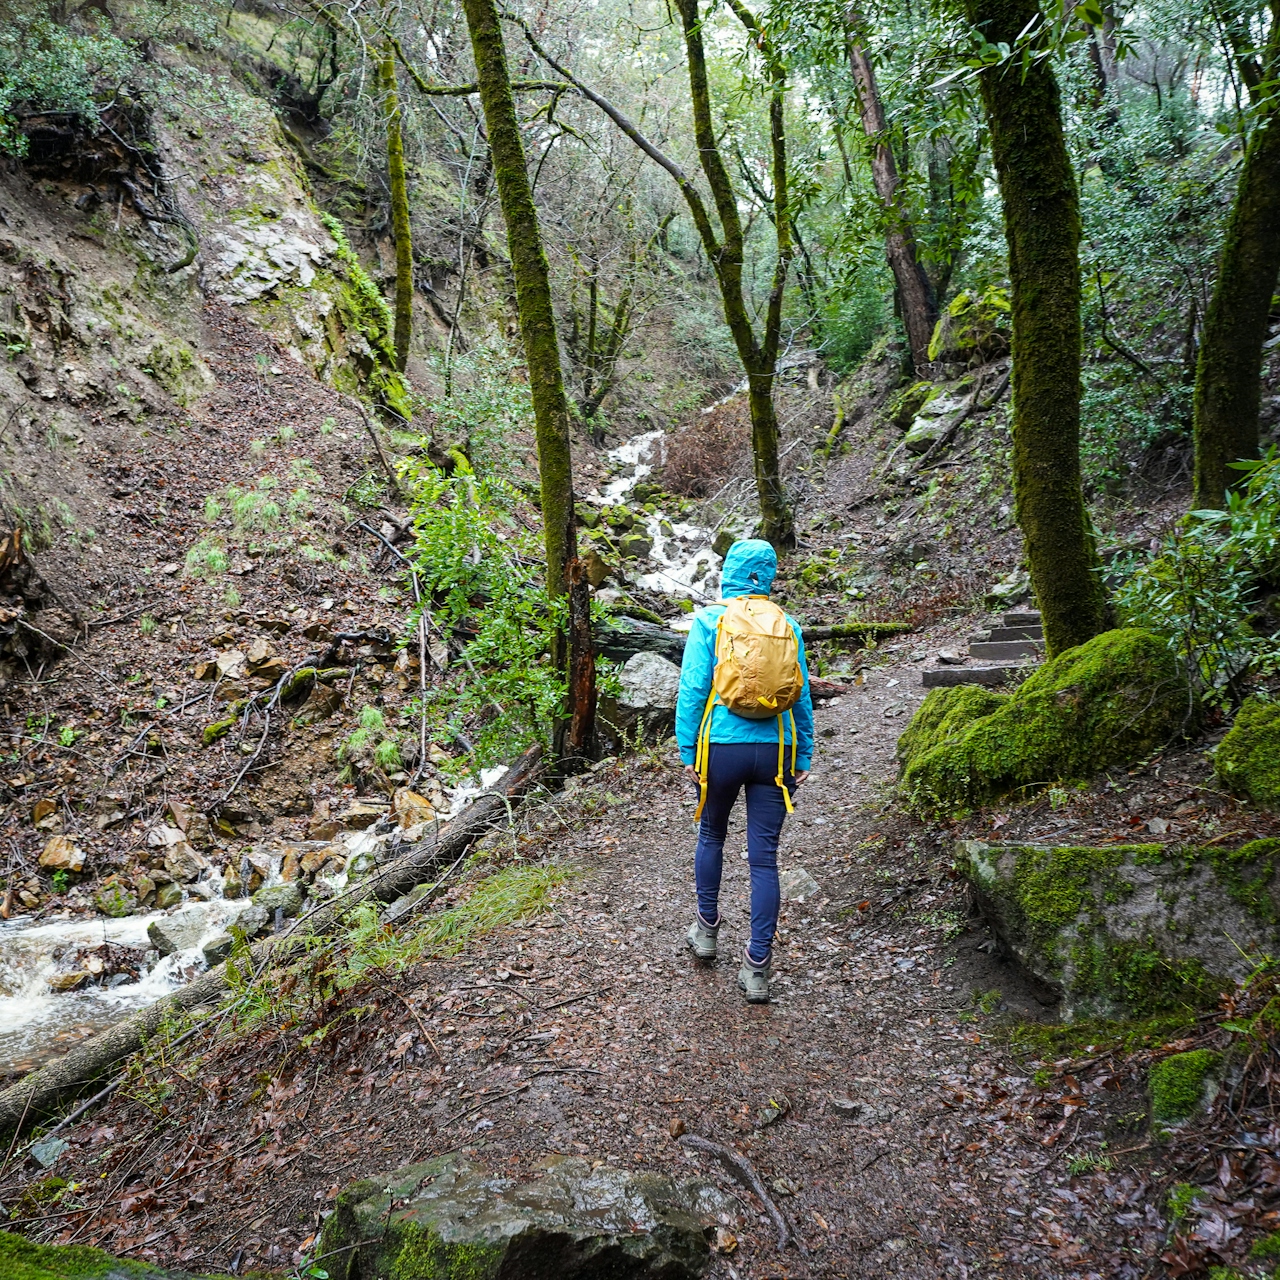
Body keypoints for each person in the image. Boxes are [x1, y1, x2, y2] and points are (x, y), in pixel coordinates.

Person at [675, 538, 814, 1004]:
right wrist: (804, 754)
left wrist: (687, 749)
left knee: (712, 835)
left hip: (721, 747)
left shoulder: (710, 619)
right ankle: (757, 968)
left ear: (728, 572)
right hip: (776, 749)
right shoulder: (786, 623)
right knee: (763, 859)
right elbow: (804, 696)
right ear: (769, 574)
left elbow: (693, 688)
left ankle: (707, 931)